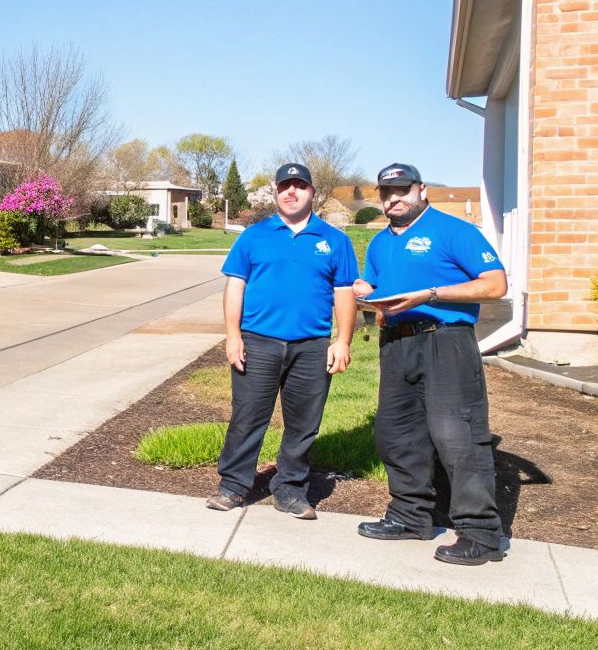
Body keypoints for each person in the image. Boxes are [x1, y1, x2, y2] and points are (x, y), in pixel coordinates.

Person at [351, 163, 509, 565]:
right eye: (387, 193)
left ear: (422, 191)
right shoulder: (380, 244)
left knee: (458, 438)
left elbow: (495, 284)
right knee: (397, 435)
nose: (394, 198)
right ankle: (409, 517)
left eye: (402, 190)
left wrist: (431, 294)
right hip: (397, 345)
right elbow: (379, 289)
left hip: (446, 343)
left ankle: (481, 534)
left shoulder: (454, 231)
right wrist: (367, 292)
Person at [208, 162, 358, 519]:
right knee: (247, 417)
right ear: (276, 192)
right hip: (258, 342)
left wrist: (343, 341)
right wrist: (232, 336)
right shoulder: (254, 236)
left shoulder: (334, 240)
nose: (291, 192)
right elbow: (235, 287)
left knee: (304, 424)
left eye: (299, 186)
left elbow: (345, 292)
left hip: (312, 346)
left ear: (312, 193)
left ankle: (290, 489)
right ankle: (233, 485)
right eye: (284, 186)